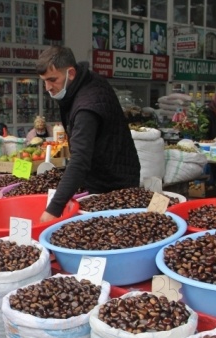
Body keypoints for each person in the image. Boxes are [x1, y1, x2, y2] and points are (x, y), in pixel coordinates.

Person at [36, 46, 140, 223]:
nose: (48, 87)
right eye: (44, 81)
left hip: (112, 184)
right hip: (115, 173)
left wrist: (54, 209)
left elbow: (80, 160)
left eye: (53, 80)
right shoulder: (89, 81)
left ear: (71, 73)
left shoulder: (87, 106)